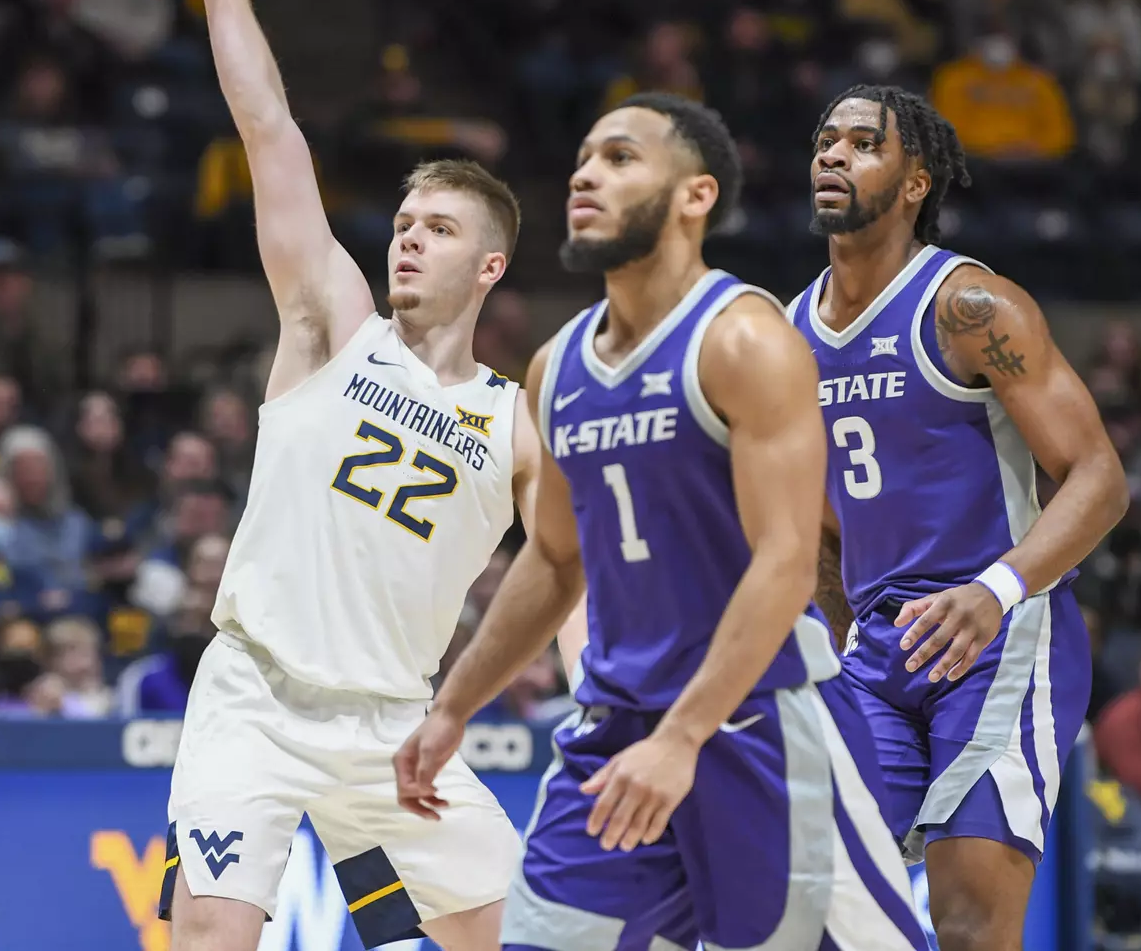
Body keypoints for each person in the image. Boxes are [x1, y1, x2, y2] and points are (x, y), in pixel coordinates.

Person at [397, 94, 930, 951]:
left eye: (620, 158)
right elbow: (555, 558)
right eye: (583, 159)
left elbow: (787, 564)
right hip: (613, 727)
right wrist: (454, 705)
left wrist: (684, 737)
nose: (585, 174)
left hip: (757, 723)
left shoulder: (743, 340)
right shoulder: (556, 365)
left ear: (696, 196)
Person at [124, 0, 538, 951]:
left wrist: (605, 699)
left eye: (438, 227)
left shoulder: (516, 419)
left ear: (489, 266)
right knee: (214, 933)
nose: (407, 235)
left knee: (524, 935)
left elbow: (567, 565)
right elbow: (270, 130)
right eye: (404, 220)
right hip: (256, 692)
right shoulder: (334, 325)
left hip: (396, 718)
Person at [793, 84, 1127, 951]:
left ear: (916, 181)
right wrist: (834, 640)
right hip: (879, 649)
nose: (833, 154)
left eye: (863, 143)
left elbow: (1097, 477)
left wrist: (998, 588)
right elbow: (824, 523)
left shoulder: (970, 309)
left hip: (998, 640)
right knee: (815, 904)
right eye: (826, 139)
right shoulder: (787, 336)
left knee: (973, 926)